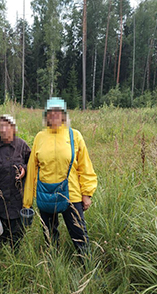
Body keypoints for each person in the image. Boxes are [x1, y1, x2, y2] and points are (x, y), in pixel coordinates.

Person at [23, 97, 97, 257]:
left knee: (79, 234)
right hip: (45, 194)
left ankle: (88, 265)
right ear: (46, 115)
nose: (54, 115)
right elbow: (32, 170)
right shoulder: (40, 137)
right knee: (50, 235)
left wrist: (87, 193)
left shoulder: (75, 136)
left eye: (58, 112)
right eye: (51, 112)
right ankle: (53, 264)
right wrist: (27, 202)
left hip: (72, 194)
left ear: (64, 115)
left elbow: (85, 166)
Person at [0, 115, 31, 250]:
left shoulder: (22, 146)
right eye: (0, 126)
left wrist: (24, 170)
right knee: (0, 235)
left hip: (17, 200)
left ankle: (15, 259)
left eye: (7, 126)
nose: (3, 130)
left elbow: (32, 164)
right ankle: (0, 258)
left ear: (14, 128)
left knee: (17, 235)